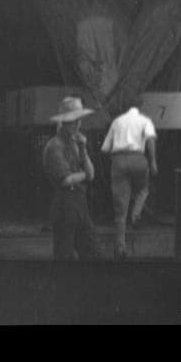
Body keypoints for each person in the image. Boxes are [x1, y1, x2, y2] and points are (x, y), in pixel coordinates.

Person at [42, 95, 100, 261]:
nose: (78, 124)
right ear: (64, 122)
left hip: (80, 204)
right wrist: (85, 175)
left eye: (79, 120)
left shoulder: (75, 143)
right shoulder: (55, 146)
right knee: (64, 257)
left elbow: (92, 173)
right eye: (73, 121)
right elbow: (66, 180)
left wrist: (83, 149)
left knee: (92, 254)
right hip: (65, 205)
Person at [101, 94, 158, 261]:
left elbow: (105, 148)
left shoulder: (117, 122)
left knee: (120, 209)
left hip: (118, 161)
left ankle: (120, 248)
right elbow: (150, 141)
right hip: (138, 160)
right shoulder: (144, 120)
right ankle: (136, 213)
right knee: (144, 188)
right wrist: (153, 162)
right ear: (139, 106)